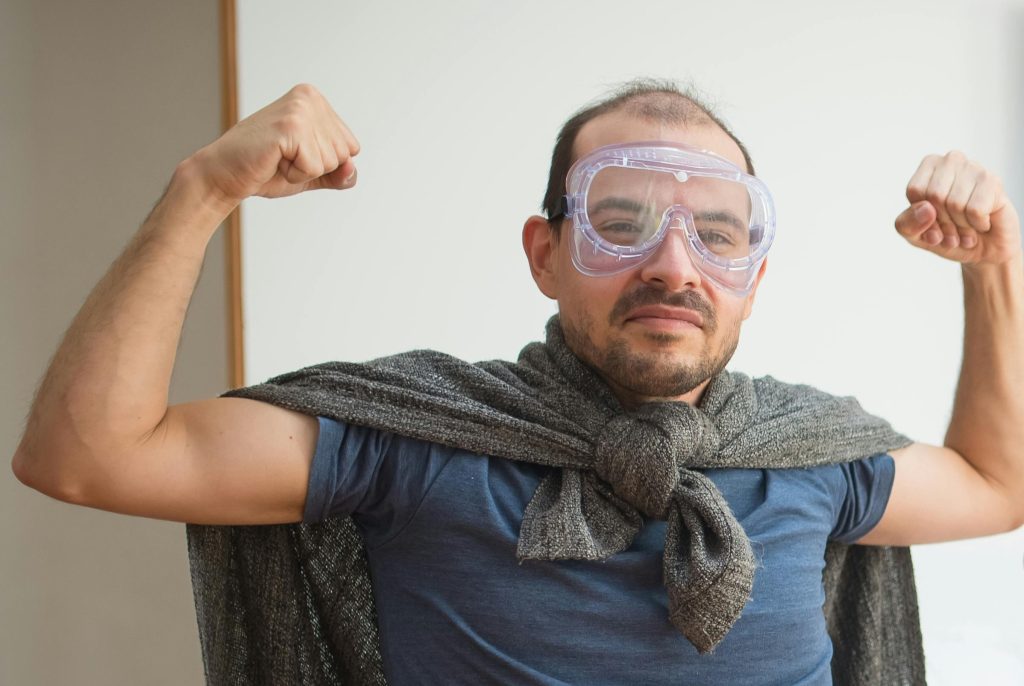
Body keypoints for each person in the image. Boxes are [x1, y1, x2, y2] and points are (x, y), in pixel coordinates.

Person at [11, 80, 1024, 685]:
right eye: (619, 221)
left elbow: (996, 481)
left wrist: (992, 264)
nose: (672, 263)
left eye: (715, 232)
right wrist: (202, 191)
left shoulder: (813, 453)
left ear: (751, 280)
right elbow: (86, 455)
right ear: (544, 252)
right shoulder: (416, 438)